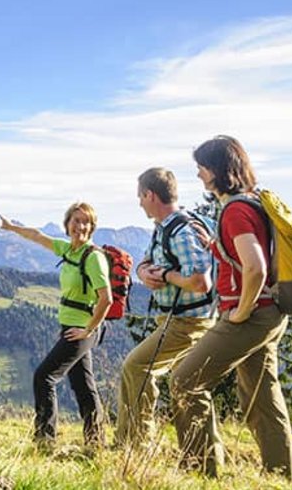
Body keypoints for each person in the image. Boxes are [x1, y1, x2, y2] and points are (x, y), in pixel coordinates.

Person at [171, 135, 292, 479]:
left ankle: (201, 470)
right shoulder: (251, 202)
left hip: (250, 316)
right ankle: (280, 477)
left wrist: (240, 311)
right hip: (271, 312)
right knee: (262, 398)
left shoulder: (236, 210)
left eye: (202, 168)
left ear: (219, 170)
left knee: (184, 381)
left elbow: (255, 267)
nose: (198, 175)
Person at [115, 168, 215, 448]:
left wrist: (166, 276)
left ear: (150, 194)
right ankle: (203, 458)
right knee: (191, 387)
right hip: (176, 320)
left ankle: (134, 444)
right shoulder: (165, 228)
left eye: (140, 196)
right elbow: (147, 261)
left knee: (136, 367)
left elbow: (200, 281)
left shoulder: (181, 231)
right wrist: (144, 271)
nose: (139, 203)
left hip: (187, 322)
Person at [0, 202, 112, 448]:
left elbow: (106, 299)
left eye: (86, 222)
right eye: (75, 220)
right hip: (72, 327)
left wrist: (88, 330)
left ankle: (45, 440)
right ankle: (96, 443)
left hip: (82, 330)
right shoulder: (68, 250)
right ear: (67, 223)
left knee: (44, 377)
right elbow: (38, 237)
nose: (80, 226)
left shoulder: (93, 257)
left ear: (92, 227)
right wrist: (11, 228)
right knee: (83, 385)